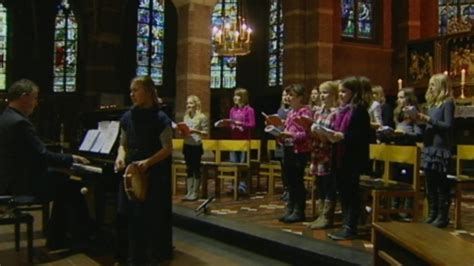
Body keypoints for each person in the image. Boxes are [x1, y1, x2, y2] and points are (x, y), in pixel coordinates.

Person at [0, 79, 92, 249]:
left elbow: (31, 155)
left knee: (63, 183)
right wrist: (71, 159)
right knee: (70, 186)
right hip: (20, 185)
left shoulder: (6, 117)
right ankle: (81, 237)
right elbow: (41, 154)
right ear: (24, 97)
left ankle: (59, 238)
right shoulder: (19, 123)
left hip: (10, 180)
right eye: (35, 98)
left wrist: (58, 166)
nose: (36, 103)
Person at [114, 76, 173, 264]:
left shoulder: (161, 118)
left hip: (152, 172)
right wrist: (120, 157)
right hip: (131, 171)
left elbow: (167, 148)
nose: (132, 94)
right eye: (131, 91)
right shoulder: (128, 116)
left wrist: (148, 161)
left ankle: (150, 256)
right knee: (129, 216)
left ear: (148, 91)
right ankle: (131, 256)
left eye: (136, 90)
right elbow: (122, 144)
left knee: (148, 217)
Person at [327, 76, 370, 240]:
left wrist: (342, 136)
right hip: (340, 156)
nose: (341, 95)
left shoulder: (359, 110)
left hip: (353, 158)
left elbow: (362, 136)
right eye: (339, 92)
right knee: (343, 191)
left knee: (350, 192)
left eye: (344, 92)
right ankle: (348, 223)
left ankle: (350, 227)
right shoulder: (342, 110)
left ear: (354, 92)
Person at [416, 73, 454, 228]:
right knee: (430, 182)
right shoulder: (431, 105)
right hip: (429, 147)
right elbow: (431, 125)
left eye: (433, 85)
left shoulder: (448, 103)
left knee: (440, 183)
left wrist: (428, 120)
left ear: (441, 86)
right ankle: (432, 213)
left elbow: (448, 125)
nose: (430, 88)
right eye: (429, 84)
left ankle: (442, 216)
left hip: (440, 148)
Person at [278, 84, 312, 223]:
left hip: (300, 150)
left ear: (300, 97)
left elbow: (307, 133)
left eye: (291, 95)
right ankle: (290, 208)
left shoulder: (305, 112)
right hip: (288, 149)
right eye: (287, 95)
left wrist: (291, 135)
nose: (288, 98)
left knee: (297, 181)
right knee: (289, 181)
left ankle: (299, 210)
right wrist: (280, 135)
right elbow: (287, 129)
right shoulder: (291, 112)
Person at [308, 80, 339, 229]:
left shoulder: (336, 112)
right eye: (321, 93)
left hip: (329, 152)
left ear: (334, 94)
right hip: (317, 150)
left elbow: (335, 134)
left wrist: (323, 134)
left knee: (329, 184)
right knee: (319, 184)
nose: (322, 96)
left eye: (325, 92)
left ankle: (327, 217)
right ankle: (321, 214)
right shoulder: (318, 112)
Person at [181, 95, 209, 201]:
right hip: (187, 145)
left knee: (195, 169)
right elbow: (184, 130)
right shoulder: (186, 117)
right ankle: (189, 192)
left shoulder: (202, 117)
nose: (188, 105)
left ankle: (195, 192)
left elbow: (206, 133)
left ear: (196, 105)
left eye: (191, 103)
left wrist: (195, 131)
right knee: (189, 169)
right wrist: (182, 131)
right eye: (187, 103)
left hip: (196, 146)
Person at [228, 88, 255, 193]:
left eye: (237, 95)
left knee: (243, 163)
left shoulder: (249, 110)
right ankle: (234, 184)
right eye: (234, 95)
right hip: (234, 141)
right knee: (234, 163)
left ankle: (243, 186)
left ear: (243, 97)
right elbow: (230, 122)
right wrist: (231, 125)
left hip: (244, 141)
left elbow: (252, 125)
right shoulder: (232, 110)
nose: (235, 97)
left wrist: (241, 124)